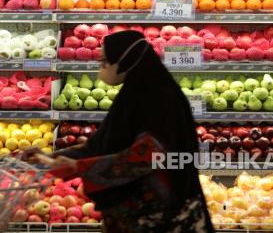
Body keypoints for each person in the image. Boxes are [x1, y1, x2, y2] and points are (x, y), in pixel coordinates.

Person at [23, 30, 214, 233]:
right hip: (136, 213)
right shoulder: (133, 95)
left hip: (164, 216)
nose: (101, 67)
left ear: (126, 61)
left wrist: (80, 166)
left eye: (105, 61)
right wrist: (50, 158)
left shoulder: (160, 99)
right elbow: (100, 145)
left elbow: (149, 155)